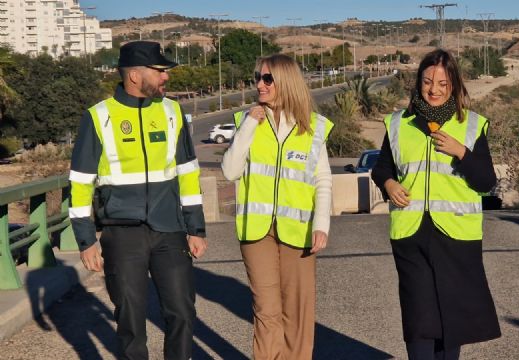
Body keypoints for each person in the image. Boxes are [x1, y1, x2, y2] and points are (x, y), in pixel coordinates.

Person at [69, 41, 207, 360]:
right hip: (122, 233)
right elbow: (80, 182)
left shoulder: (172, 111)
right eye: (159, 71)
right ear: (134, 74)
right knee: (131, 320)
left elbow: (187, 173)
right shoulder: (99, 116)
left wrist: (195, 228)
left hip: (169, 230)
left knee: (183, 313)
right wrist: (86, 240)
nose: (165, 78)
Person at [371, 49, 501, 360]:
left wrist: (461, 151)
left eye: (442, 83)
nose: (434, 89)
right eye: (428, 81)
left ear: (454, 86)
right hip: (410, 232)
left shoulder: (471, 126)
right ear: (418, 82)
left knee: (451, 317)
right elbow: (382, 169)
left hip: (457, 235)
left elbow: (486, 181)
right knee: (419, 314)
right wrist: (389, 185)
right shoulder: (399, 124)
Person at [221, 54, 333, 360]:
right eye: (257, 77)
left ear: (285, 81)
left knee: (297, 313)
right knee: (266, 310)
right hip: (257, 232)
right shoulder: (248, 122)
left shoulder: (313, 127)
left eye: (267, 78)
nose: (259, 84)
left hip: (298, 231)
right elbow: (230, 171)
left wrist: (321, 224)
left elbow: (322, 179)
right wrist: (247, 126)